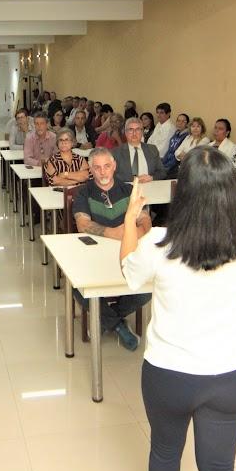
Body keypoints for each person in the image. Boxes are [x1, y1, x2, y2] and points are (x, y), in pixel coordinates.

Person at [119, 147, 236, 471]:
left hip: (169, 374)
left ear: (180, 192)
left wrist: (129, 219)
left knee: (165, 455)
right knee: (219, 469)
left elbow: (129, 271)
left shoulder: (158, 245)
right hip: (233, 374)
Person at [72, 147, 152, 350]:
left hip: (129, 252)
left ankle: (106, 319)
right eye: (97, 168)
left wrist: (135, 234)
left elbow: (145, 220)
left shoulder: (128, 191)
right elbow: (83, 224)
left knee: (148, 288)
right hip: (94, 256)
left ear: (114, 166)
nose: (103, 172)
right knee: (78, 288)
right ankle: (117, 325)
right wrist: (115, 233)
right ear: (91, 169)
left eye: (107, 166)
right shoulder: (84, 192)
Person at [112, 117, 165, 184]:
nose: (134, 133)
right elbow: (112, 175)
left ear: (142, 132)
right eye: (130, 130)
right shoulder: (116, 152)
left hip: (150, 186)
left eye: (138, 130)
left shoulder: (152, 149)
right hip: (126, 189)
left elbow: (162, 172)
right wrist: (135, 179)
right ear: (125, 132)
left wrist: (151, 178)